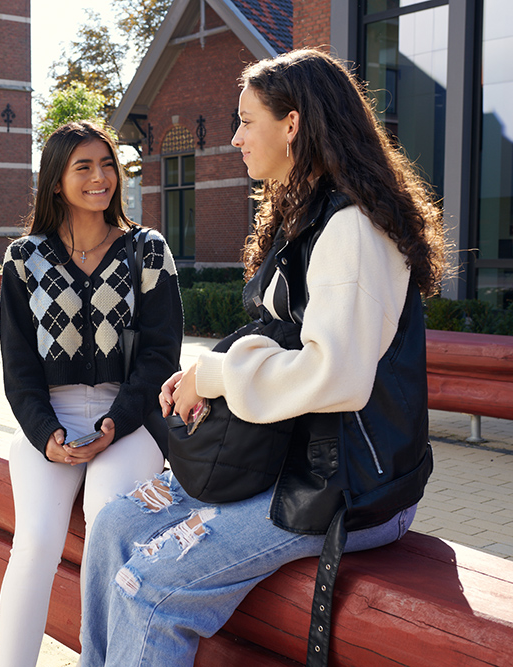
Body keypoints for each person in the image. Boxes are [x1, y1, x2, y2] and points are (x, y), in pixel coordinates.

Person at [78, 49, 448, 666]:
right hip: (281, 460)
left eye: (247, 121)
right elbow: (280, 334)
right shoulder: (305, 214)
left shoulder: (352, 228)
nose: (236, 137)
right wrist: (203, 375)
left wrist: (219, 375)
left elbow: (335, 375)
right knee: (115, 527)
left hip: (347, 486)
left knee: (151, 586)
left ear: (293, 124)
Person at [0, 120, 182, 666]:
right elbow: (18, 367)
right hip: (50, 421)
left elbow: (160, 356)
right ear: (56, 180)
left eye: (107, 165)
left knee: (105, 529)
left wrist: (113, 425)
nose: (101, 177)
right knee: (35, 542)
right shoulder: (24, 259)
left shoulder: (147, 250)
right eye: (84, 167)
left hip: (130, 423)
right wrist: (45, 434)